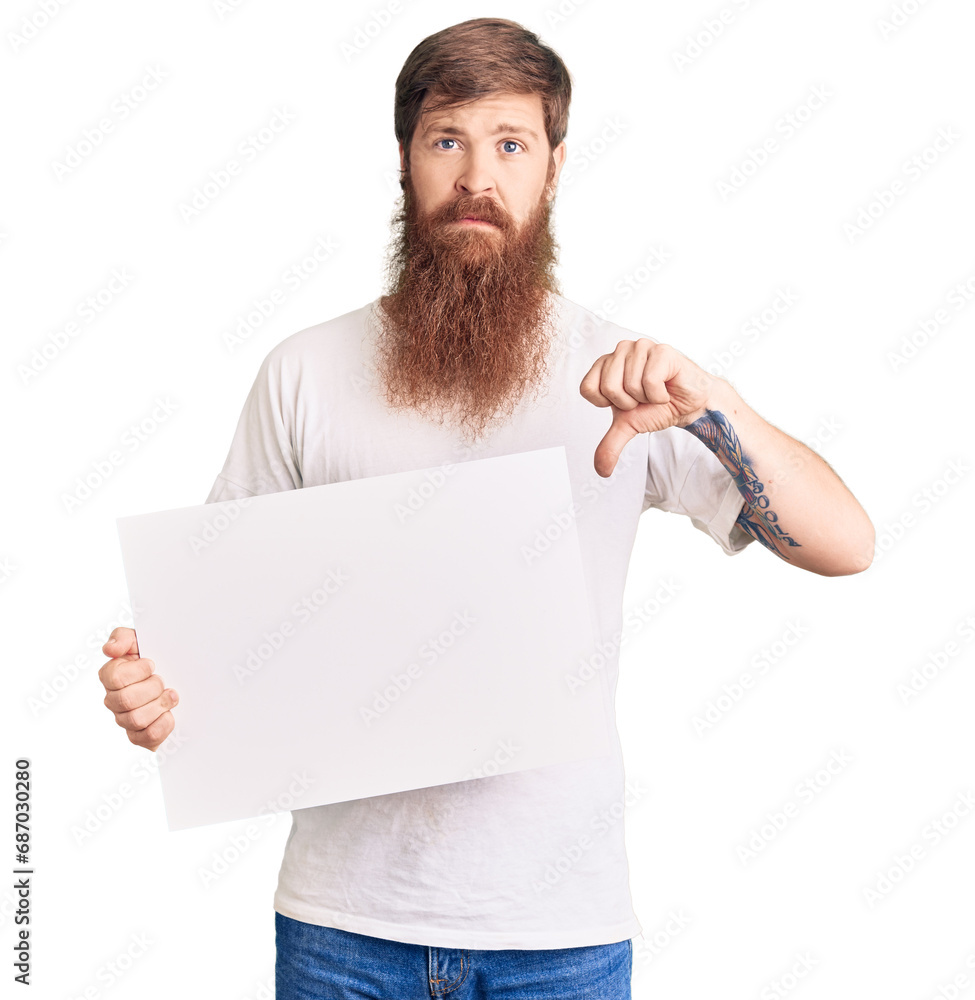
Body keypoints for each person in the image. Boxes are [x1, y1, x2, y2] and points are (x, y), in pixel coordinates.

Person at [98, 17, 874, 999]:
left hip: (560, 933)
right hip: (342, 929)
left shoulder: (634, 381)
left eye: (510, 143)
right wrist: (154, 697)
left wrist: (720, 404)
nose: (478, 177)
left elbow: (848, 544)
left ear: (553, 168)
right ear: (403, 162)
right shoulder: (302, 372)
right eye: (446, 140)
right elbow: (212, 642)